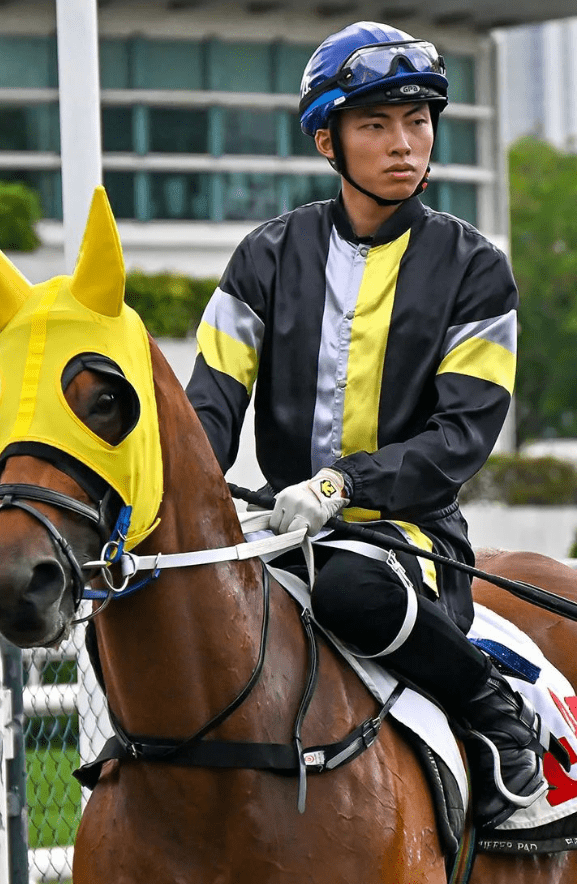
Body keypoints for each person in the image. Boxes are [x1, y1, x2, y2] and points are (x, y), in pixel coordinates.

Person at [185, 21, 555, 829]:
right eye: (376, 124)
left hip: (408, 540)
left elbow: (459, 440)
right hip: (284, 536)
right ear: (328, 139)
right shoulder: (263, 257)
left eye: (418, 121)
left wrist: (342, 482)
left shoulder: (477, 270)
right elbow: (207, 410)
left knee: (348, 583)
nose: (404, 143)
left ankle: (495, 714)